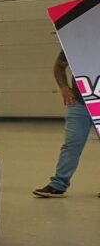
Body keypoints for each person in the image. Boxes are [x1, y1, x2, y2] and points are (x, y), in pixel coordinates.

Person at [33, 51, 95, 198]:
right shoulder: (75, 39)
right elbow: (59, 66)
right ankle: (58, 185)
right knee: (72, 144)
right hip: (80, 102)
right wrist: (64, 87)